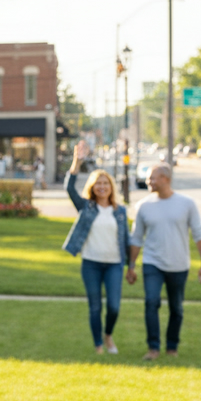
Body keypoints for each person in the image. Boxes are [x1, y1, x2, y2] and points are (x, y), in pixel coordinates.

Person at [126, 164, 201, 360]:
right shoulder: (144, 206)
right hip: (152, 263)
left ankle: (172, 347)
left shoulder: (186, 204)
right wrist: (131, 266)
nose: (149, 182)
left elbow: (199, 234)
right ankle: (153, 347)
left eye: (152, 178)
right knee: (151, 302)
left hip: (179, 264)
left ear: (165, 179)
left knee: (176, 308)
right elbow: (136, 238)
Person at [61, 141, 129, 354]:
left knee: (114, 307)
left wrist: (132, 265)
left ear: (111, 187)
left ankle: (108, 335)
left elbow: (126, 238)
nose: (102, 187)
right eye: (98, 183)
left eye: (105, 183)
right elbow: (69, 188)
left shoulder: (120, 211)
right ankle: (99, 345)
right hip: (91, 263)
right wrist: (77, 161)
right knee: (95, 306)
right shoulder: (86, 207)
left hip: (114, 265)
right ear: (92, 187)